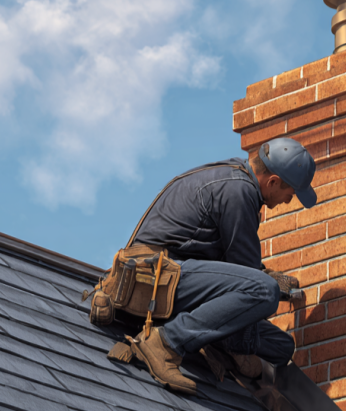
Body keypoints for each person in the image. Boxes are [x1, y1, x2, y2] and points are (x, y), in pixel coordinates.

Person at [127, 137, 317, 395]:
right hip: (155, 279)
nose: (288, 200)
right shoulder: (238, 192)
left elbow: (240, 265)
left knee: (282, 347)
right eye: (289, 193)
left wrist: (263, 275)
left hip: (179, 277)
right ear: (272, 182)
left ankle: (216, 340)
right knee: (265, 292)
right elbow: (250, 277)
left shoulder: (238, 180)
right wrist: (266, 283)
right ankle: (165, 343)